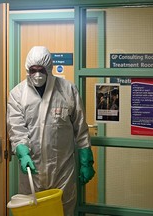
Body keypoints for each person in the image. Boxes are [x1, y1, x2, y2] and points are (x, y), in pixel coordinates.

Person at [7, 46, 95, 216]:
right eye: (33, 70)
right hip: (32, 170)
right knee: (33, 211)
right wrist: (22, 152)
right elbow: (16, 128)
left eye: (41, 70)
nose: (37, 75)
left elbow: (81, 129)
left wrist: (86, 162)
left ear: (49, 68)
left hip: (62, 170)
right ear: (27, 69)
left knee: (63, 210)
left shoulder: (68, 90)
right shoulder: (17, 94)